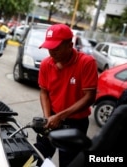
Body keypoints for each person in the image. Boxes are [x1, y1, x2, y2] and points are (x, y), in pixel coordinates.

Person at [35, 24, 98, 167]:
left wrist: (61, 116)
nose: (51, 53)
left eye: (56, 49)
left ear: (70, 45)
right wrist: (47, 117)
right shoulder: (46, 64)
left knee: (69, 163)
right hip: (51, 117)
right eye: (49, 49)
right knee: (37, 157)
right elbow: (44, 91)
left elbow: (90, 97)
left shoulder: (86, 63)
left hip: (76, 123)